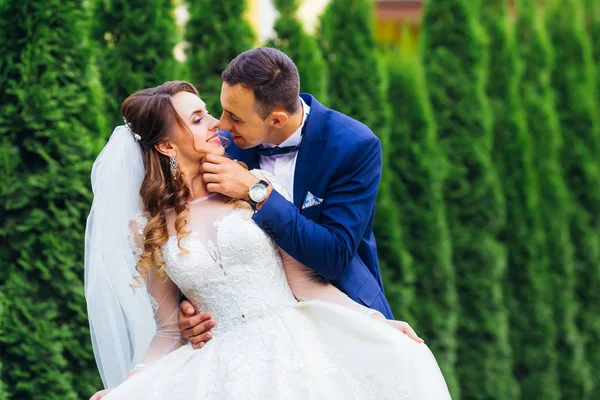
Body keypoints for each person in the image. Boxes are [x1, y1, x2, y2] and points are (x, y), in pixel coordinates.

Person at [85, 81, 451, 399]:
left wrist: (376, 321)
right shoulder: (149, 228)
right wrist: (130, 385)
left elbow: (305, 283)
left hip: (297, 346)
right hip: (219, 368)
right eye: (198, 119)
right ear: (166, 146)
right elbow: (167, 328)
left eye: (207, 112)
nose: (217, 124)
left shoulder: (254, 184)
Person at [177, 47, 395, 349]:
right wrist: (186, 310)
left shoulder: (354, 146)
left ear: (277, 120)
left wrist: (256, 193)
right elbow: (192, 235)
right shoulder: (221, 147)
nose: (222, 125)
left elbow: (333, 256)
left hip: (341, 308)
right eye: (223, 109)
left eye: (236, 118)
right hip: (253, 336)